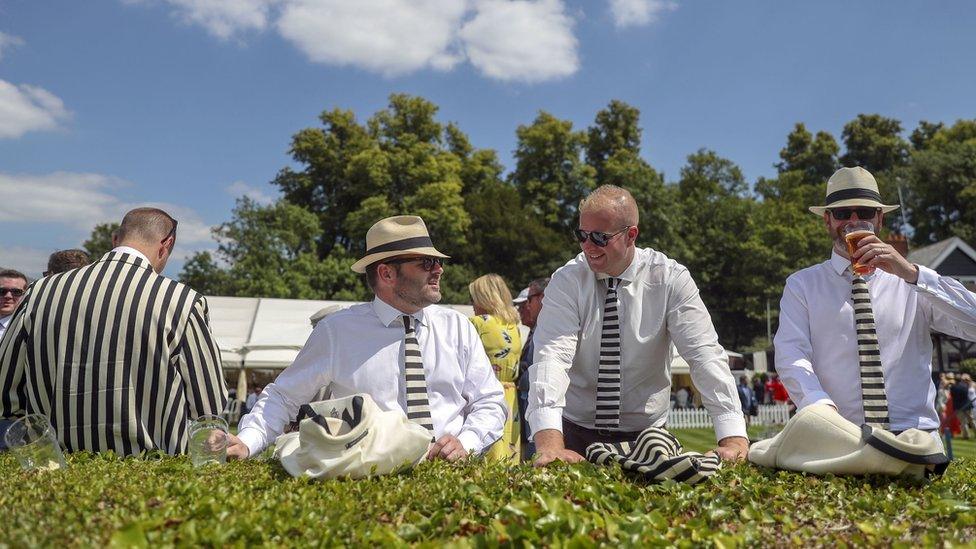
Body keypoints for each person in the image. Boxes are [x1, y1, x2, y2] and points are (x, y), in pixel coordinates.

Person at [227, 215, 507, 462]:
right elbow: (284, 396)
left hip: (451, 480)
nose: (439, 269)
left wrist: (467, 443)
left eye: (438, 261)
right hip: (369, 483)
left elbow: (491, 402)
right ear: (386, 273)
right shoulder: (336, 331)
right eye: (427, 262)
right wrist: (248, 441)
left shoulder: (457, 326)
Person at [526, 185, 749, 467]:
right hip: (574, 433)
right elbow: (551, 357)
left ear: (631, 235)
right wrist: (549, 443)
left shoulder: (670, 278)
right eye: (581, 235)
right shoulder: (566, 280)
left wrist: (733, 439)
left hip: (648, 437)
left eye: (599, 237)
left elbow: (703, 354)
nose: (587, 246)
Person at [0, 207, 228, 455]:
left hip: (61, 470)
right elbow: (209, 404)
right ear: (166, 244)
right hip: (156, 471)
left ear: (115, 239)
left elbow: (7, 385)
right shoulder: (182, 300)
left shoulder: (40, 291)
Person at [775, 166, 976, 445]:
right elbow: (791, 355)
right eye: (843, 213)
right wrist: (819, 407)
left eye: (865, 212)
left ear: (879, 218)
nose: (854, 221)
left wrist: (913, 274)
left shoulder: (913, 282)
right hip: (840, 435)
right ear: (828, 220)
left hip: (914, 437)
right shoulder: (803, 285)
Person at [468, 273, 523, 463]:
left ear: (483, 298)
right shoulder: (512, 325)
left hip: (486, 395)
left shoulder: (478, 322)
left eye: (473, 298)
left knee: (485, 459)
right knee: (508, 457)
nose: (472, 304)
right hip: (510, 397)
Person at [514, 277, 548, 460]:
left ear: (542, 297)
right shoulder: (539, 328)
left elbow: (538, 368)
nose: (525, 307)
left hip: (541, 412)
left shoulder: (549, 330)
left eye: (528, 300)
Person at [0, 269, 28, 342]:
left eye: (16, 292)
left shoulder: (29, 331)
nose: (8, 296)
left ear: (25, 295)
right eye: (2, 291)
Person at [949, 374, 975, 439]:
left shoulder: (953, 387)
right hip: (967, 405)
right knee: (972, 420)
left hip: (958, 407)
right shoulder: (965, 386)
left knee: (963, 422)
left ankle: (966, 436)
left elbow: (952, 396)